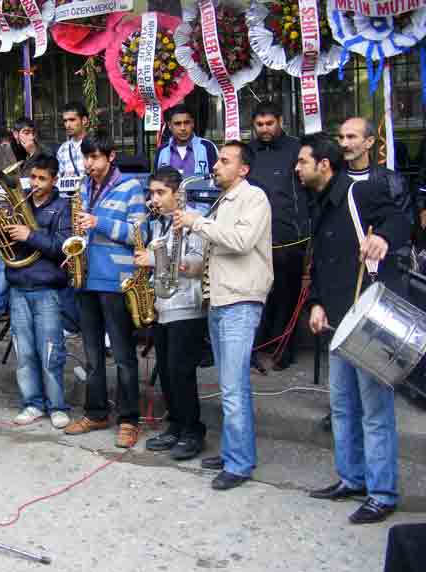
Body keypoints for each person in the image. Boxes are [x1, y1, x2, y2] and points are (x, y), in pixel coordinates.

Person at [297, 133, 409, 524]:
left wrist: (382, 236)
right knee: (343, 406)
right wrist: (317, 303)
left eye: (303, 162)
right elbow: (324, 261)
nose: (297, 168)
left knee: (375, 410)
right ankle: (351, 478)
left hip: (370, 319)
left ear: (323, 166)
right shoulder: (320, 203)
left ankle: (382, 492)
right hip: (339, 319)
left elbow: (399, 217)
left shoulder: (357, 193)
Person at [173, 141, 273, 490]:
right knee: (231, 385)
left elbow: (242, 242)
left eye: (224, 161)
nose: (215, 165)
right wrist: (189, 267)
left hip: (240, 302)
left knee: (233, 387)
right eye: (217, 160)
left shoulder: (254, 198)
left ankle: (240, 463)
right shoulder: (223, 200)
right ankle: (234, 450)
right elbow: (221, 249)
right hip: (219, 299)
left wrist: (197, 223)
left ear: (243, 169)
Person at [63, 133, 148, 449]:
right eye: (86, 158)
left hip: (116, 280)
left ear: (111, 156)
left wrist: (98, 222)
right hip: (85, 278)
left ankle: (128, 420)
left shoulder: (131, 188)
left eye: (95, 158)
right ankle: (96, 412)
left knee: (124, 356)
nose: (89, 164)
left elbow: (141, 232)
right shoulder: (83, 187)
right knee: (93, 354)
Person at [0, 154, 72, 429]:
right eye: (33, 178)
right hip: (19, 286)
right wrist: (0, 226)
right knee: (24, 352)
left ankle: (57, 406)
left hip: (47, 289)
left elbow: (63, 246)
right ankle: (32, 403)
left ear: (55, 180)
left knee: (51, 352)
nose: (36, 184)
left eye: (42, 178)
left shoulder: (63, 207)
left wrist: (30, 235)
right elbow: (5, 247)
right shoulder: (19, 201)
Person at [137, 167, 208, 460]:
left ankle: (193, 430)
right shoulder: (159, 223)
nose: (154, 199)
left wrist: (153, 259)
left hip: (186, 306)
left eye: (160, 193)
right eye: (151, 193)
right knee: (165, 370)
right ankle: (175, 424)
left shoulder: (195, 220)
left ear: (177, 194)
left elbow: (195, 262)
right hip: (163, 305)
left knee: (181, 372)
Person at [248, 102, 307, 371]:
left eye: (269, 123)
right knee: (256, 294)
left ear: (280, 121)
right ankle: (254, 348)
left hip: (288, 235)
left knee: (287, 294)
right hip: (254, 235)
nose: (264, 129)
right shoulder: (248, 152)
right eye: (259, 125)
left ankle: (284, 350)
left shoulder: (296, 149)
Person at [154, 104, 219, 177]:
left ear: (192, 123)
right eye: (177, 124)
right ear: (169, 126)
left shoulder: (207, 147)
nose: (183, 128)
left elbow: (216, 180)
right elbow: (157, 182)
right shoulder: (162, 151)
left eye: (186, 123)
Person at [56, 101, 89, 191]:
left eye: (72, 120)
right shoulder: (63, 149)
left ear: (84, 120)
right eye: (65, 121)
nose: (68, 125)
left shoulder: (94, 144)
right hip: (68, 199)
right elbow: (57, 179)